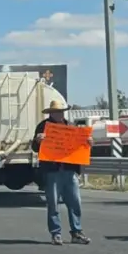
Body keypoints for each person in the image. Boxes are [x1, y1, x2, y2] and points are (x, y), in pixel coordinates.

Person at [31, 99, 92, 246]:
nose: (58, 114)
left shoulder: (71, 127)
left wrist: (88, 142)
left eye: (60, 111)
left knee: (75, 202)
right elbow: (34, 147)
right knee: (53, 203)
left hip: (70, 170)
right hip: (52, 170)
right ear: (51, 113)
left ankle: (76, 232)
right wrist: (38, 140)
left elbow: (79, 147)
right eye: (55, 111)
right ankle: (56, 233)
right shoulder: (43, 126)